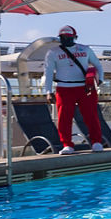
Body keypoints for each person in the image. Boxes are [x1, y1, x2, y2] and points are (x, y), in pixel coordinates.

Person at [42, 25, 105, 154]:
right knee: (64, 118)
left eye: (69, 37)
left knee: (91, 116)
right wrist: (48, 91)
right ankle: (67, 144)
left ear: (75, 38)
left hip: (85, 88)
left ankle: (96, 142)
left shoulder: (85, 49)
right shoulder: (53, 52)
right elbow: (48, 72)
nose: (66, 40)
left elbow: (97, 64)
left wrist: (100, 80)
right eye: (63, 37)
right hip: (64, 88)